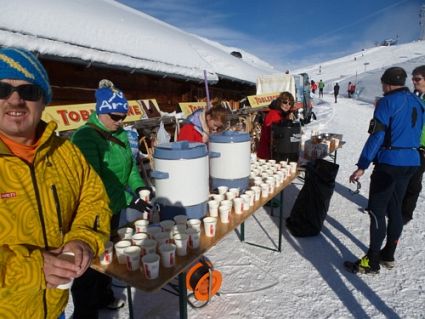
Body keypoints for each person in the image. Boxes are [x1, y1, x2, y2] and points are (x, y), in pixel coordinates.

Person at [0, 47, 111, 318]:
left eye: (29, 92)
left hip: (55, 309)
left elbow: (93, 199)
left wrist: (82, 239)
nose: (15, 101)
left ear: (44, 101)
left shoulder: (66, 152)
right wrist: (30, 269)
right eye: (2, 90)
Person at [71, 79, 150, 318]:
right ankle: (85, 312)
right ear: (101, 110)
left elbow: (131, 167)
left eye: (123, 117)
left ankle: (104, 296)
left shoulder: (121, 134)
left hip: (114, 207)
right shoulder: (85, 137)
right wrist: (129, 198)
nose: (119, 122)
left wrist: (138, 189)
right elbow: (93, 183)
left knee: (108, 256)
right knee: (89, 265)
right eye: (115, 116)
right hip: (92, 211)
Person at [345, 67, 424, 275]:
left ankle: (371, 261)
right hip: (412, 161)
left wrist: (362, 165)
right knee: (396, 208)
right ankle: (388, 254)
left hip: (390, 163)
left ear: (386, 83)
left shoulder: (387, 102)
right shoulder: (418, 102)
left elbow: (377, 137)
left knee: (377, 211)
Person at [401, 65, 425, 224]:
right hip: (407, 145)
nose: (414, 81)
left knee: (414, 182)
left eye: (418, 79)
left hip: (421, 149)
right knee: (401, 178)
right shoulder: (415, 96)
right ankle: (396, 208)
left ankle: (406, 214)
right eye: (413, 78)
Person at [257, 91, 296, 160]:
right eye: (285, 102)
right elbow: (271, 135)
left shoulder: (283, 115)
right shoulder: (273, 114)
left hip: (277, 153)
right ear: (279, 102)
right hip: (268, 154)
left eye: (290, 103)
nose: (287, 105)